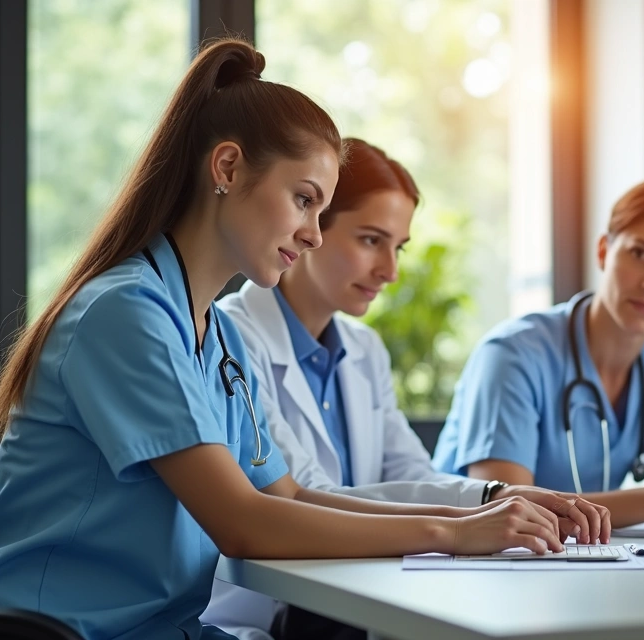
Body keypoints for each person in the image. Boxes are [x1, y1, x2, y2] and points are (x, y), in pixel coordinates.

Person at [0, 40, 582, 640]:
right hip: (60, 630)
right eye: (304, 200)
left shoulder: (218, 334)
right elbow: (244, 524)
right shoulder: (125, 314)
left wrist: (470, 519)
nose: (313, 234)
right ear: (227, 167)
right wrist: (453, 536)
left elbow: (289, 495)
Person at [208, 138, 609, 639]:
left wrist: (498, 500)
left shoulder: (364, 348)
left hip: (362, 598)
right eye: (371, 240)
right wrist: (482, 501)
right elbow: (308, 497)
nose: (390, 271)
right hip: (269, 611)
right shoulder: (231, 336)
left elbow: (410, 472)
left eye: (397, 248)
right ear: (312, 225)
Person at [431, 178, 644, 528]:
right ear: (603, 251)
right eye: (641, 254)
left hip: (566, 559)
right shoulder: (513, 353)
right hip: (465, 562)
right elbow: (509, 509)